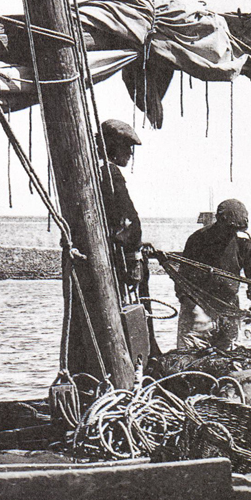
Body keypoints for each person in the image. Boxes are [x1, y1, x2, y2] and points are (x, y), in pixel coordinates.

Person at [96, 119, 162, 358]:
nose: (130, 154)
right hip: (121, 260)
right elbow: (129, 219)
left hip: (109, 255)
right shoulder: (109, 172)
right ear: (112, 145)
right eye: (127, 147)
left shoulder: (94, 170)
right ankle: (146, 359)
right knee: (138, 311)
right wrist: (134, 256)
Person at [176, 198, 251, 350]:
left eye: (237, 230)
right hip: (198, 309)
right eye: (229, 229)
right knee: (190, 359)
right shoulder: (198, 239)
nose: (232, 234)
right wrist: (193, 307)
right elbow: (181, 280)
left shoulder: (244, 241)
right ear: (219, 220)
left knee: (229, 359)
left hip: (229, 308)